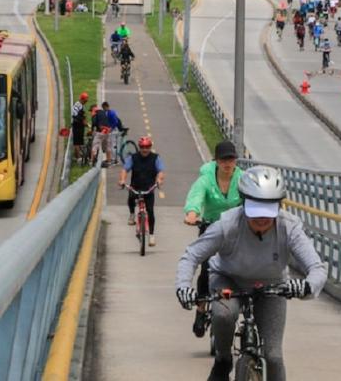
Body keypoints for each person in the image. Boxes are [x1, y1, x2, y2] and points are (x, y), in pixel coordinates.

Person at [175, 165, 327, 381]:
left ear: (279, 205)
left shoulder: (289, 227)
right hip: (228, 279)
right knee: (224, 314)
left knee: (273, 356)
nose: (262, 219)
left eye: (268, 211)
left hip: (272, 285)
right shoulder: (227, 224)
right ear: (244, 203)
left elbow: (316, 268)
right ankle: (223, 359)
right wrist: (183, 287)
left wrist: (306, 286)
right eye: (256, 210)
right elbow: (191, 255)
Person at [183, 141, 243, 338]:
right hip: (210, 228)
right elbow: (196, 197)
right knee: (206, 269)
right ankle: (201, 310)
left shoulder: (242, 179)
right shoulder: (206, 179)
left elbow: (252, 198)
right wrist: (192, 213)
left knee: (243, 268)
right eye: (224, 159)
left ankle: (247, 311)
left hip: (236, 230)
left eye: (231, 159)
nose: (228, 163)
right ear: (216, 161)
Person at [118, 137, 166, 247]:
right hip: (136, 186)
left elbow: (160, 171)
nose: (145, 149)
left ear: (150, 147)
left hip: (149, 188)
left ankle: (152, 235)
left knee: (150, 211)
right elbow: (125, 169)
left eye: (147, 147)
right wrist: (122, 180)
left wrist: (159, 180)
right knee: (131, 198)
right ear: (139, 147)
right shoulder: (133, 158)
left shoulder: (155, 158)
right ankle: (131, 214)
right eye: (142, 147)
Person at [71, 93, 89, 163]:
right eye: (85, 100)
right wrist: (86, 124)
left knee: (77, 142)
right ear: (82, 99)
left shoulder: (77, 104)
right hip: (78, 126)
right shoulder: (80, 107)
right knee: (77, 142)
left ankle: (77, 156)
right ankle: (78, 157)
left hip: (76, 125)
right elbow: (81, 117)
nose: (86, 101)